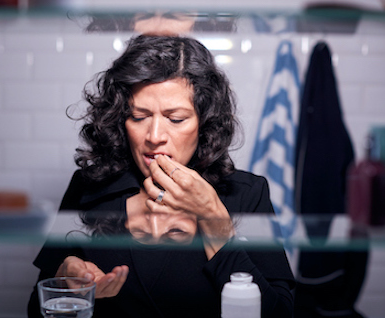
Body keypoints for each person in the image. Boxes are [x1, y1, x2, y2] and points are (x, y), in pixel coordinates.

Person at [27, 35, 295, 318]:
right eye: (139, 116)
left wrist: (214, 220)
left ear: (204, 122)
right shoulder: (88, 187)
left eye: (176, 119)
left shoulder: (246, 194)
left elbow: (280, 313)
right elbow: (36, 309)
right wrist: (66, 280)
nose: (154, 137)